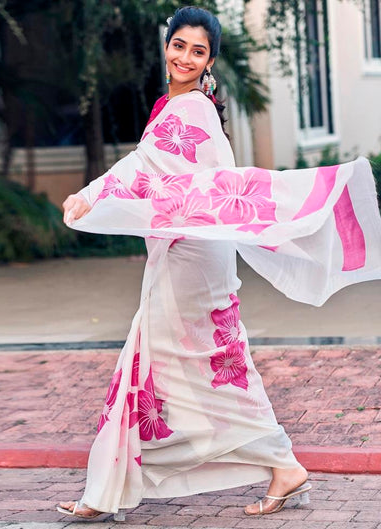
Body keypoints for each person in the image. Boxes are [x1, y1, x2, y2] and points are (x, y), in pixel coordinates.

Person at [57, 6, 381, 520]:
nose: (185, 57)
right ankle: (112, 487)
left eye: (198, 50)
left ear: (210, 61)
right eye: (179, 45)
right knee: (166, 361)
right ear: (166, 47)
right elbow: (156, 172)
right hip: (185, 248)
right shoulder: (176, 105)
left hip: (192, 256)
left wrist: (92, 192)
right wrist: (95, 193)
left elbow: (143, 167)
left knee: (196, 363)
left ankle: (278, 463)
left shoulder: (191, 112)